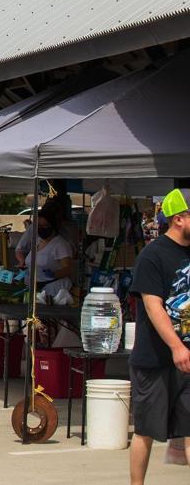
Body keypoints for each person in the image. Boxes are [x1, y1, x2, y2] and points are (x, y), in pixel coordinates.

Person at [129, 188, 190, 484]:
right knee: (146, 431)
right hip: (155, 360)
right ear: (179, 219)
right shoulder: (152, 256)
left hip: (188, 360)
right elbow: (154, 307)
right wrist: (177, 346)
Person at [24, 206, 75, 301]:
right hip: (37, 290)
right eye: (39, 226)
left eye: (45, 226)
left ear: (53, 226)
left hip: (54, 290)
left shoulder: (60, 244)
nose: (41, 228)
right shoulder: (38, 241)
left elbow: (68, 269)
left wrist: (54, 274)